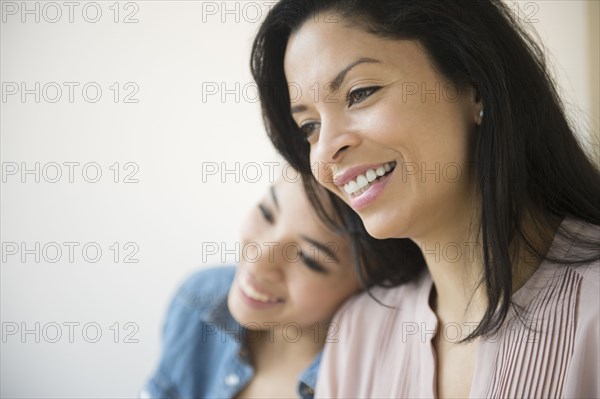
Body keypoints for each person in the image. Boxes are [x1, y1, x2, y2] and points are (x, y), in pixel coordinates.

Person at [250, 0, 600, 397]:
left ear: (474, 85)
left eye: (360, 93)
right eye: (309, 126)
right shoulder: (357, 335)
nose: (327, 148)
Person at [141, 176, 365, 399]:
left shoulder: (366, 382)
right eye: (267, 214)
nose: (258, 263)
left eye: (308, 259)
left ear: (365, 285)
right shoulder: (200, 298)